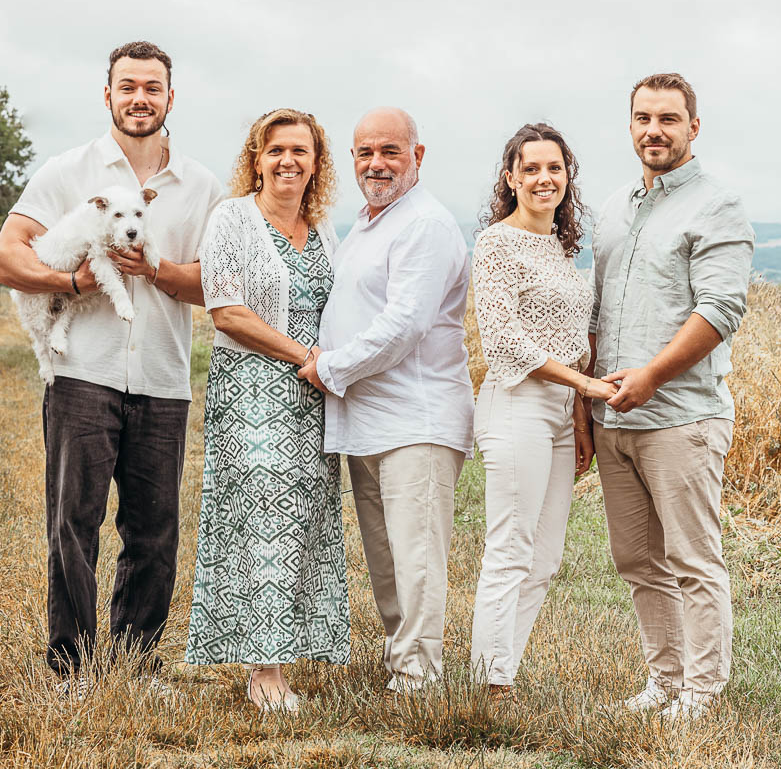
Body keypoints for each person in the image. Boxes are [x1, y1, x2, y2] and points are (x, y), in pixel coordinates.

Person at [0, 41, 225, 691]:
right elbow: (6, 253)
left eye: (153, 86)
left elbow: (216, 283)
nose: (140, 97)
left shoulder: (201, 186)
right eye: (128, 86)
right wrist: (68, 278)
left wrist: (156, 269)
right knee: (73, 522)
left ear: (170, 98)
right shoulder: (69, 170)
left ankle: (134, 663)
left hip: (161, 375)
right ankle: (70, 665)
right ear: (108, 95)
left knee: (153, 529)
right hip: (82, 374)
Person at [588, 73, 754, 721]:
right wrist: (591, 404)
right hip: (613, 417)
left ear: (693, 127)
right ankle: (664, 680)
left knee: (692, 558)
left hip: (682, 416)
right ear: (630, 125)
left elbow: (720, 309)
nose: (653, 130)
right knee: (636, 558)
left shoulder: (717, 206)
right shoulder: (616, 206)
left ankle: (703, 692)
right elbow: (598, 312)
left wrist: (652, 375)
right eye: (642, 118)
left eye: (667, 118)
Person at [299, 106, 472, 692]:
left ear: (417, 157)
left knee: (415, 554)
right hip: (368, 418)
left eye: (390, 151)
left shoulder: (425, 224)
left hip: (415, 419)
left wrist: (330, 367)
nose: (376, 163)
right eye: (365, 153)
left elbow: (405, 325)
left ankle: (419, 676)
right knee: (385, 554)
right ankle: (404, 660)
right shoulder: (370, 224)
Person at [187, 108, 350, 711]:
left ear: (317, 162)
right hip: (253, 392)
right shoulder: (233, 218)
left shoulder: (324, 228)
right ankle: (263, 673)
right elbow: (226, 309)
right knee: (260, 524)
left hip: (314, 398)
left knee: (302, 523)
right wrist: (306, 356)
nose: (288, 161)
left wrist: (331, 366)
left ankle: (284, 653)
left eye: (300, 151)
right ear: (256, 158)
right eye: (276, 149)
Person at [468, 123, 618, 699]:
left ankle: (503, 667)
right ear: (511, 178)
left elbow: (575, 338)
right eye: (530, 169)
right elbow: (506, 342)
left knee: (546, 557)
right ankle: (490, 685)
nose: (543, 178)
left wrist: (579, 415)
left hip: (560, 413)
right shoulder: (495, 244)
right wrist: (587, 384)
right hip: (516, 406)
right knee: (510, 547)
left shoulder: (560, 248)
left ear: (566, 176)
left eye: (553, 168)